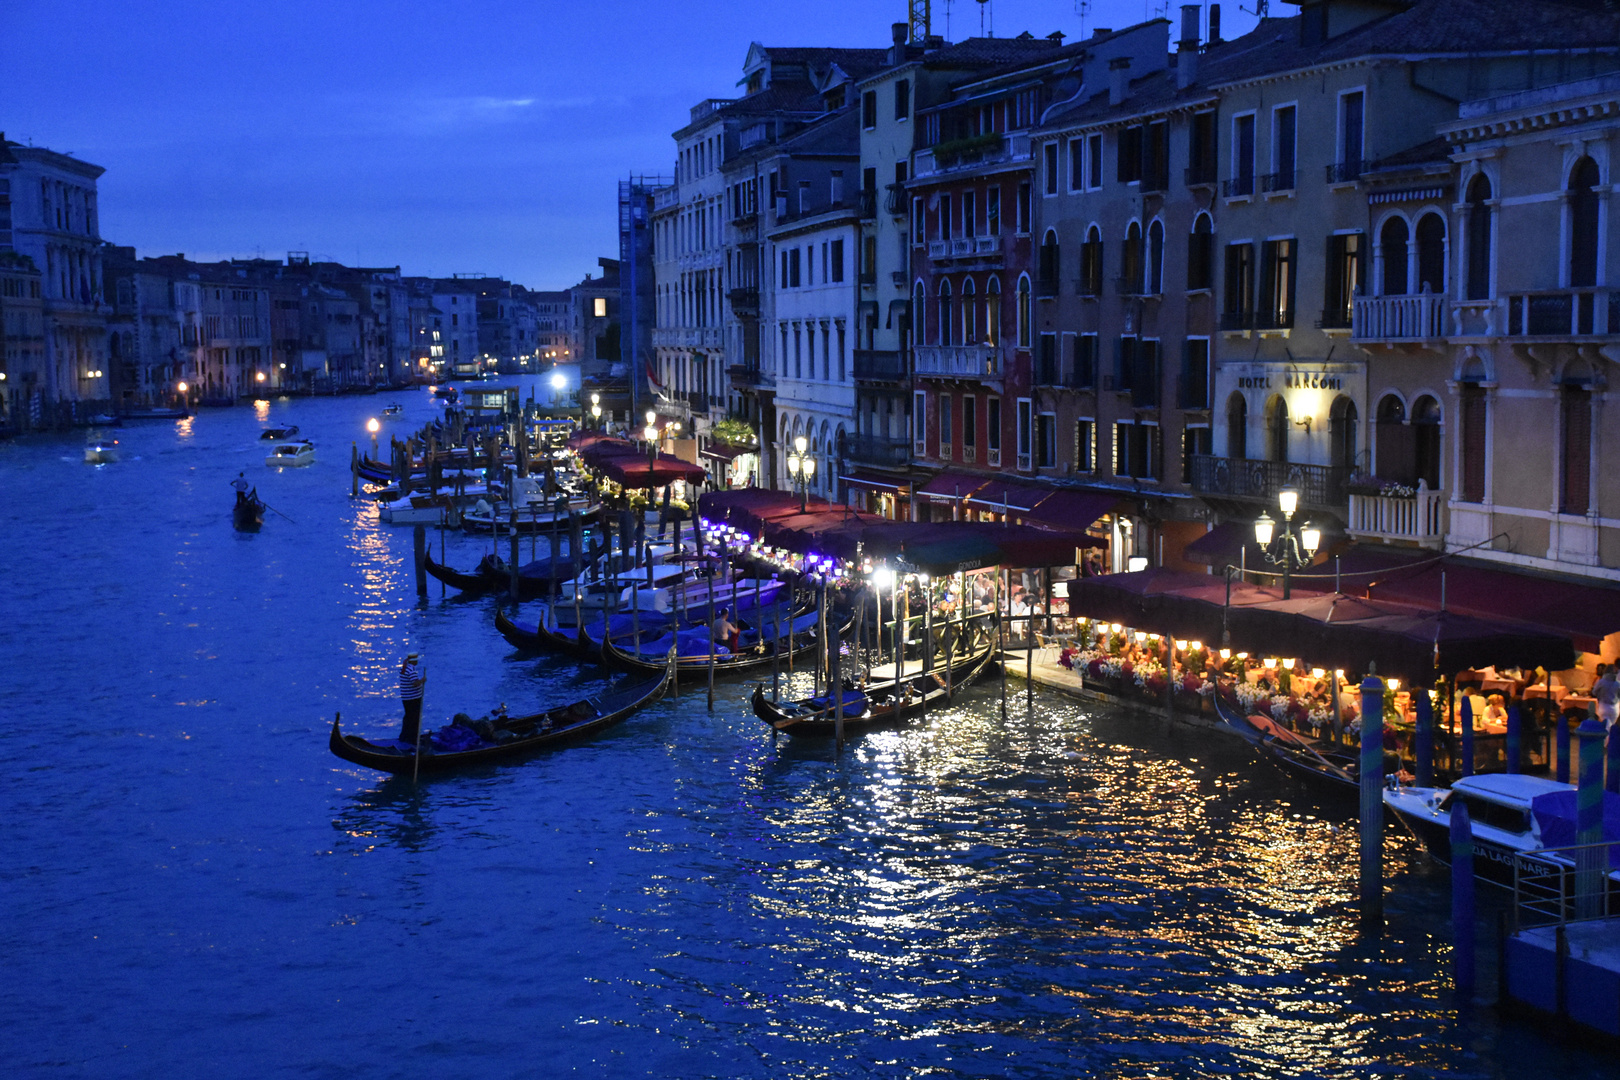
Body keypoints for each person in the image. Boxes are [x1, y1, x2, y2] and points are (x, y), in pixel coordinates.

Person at [398, 652, 426, 744]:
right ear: (414, 661)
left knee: (408, 717)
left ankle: (404, 736)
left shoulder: (404, 668)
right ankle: (413, 739)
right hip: (413, 698)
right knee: (414, 718)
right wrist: (422, 680)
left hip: (407, 698)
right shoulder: (410, 670)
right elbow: (415, 683)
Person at [1594, 663, 1620, 729]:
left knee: (1604, 726)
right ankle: (1610, 738)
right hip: (1614, 707)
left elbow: (1594, 692)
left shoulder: (1601, 682)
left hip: (1603, 706)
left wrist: (1599, 695)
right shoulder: (1617, 684)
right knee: (1613, 726)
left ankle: (1605, 738)